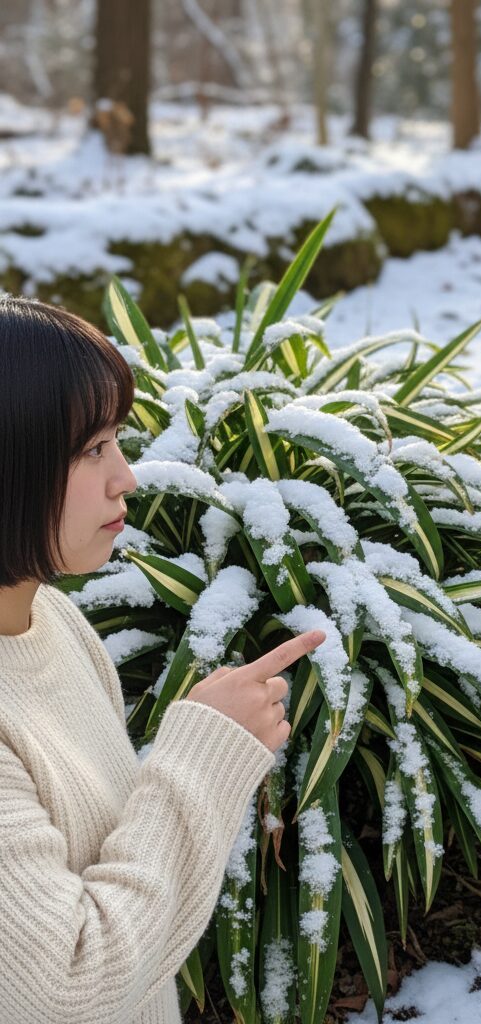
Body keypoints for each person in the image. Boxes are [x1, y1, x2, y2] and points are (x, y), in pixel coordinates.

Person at [0, 295, 326, 1023]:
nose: (127, 477)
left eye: (115, 441)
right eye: (92, 449)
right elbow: (64, 989)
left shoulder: (49, 620)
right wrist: (201, 757)